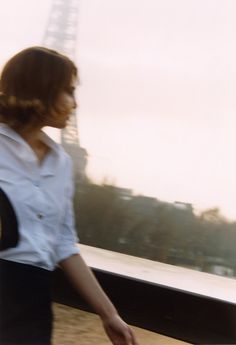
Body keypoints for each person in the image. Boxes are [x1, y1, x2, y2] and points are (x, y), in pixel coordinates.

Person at [0, 46, 139, 345]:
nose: (74, 104)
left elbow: (64, 244)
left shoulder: (60, 163)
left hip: (32, 304)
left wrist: (108, 314)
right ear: (41, 89)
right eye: (68, 91)